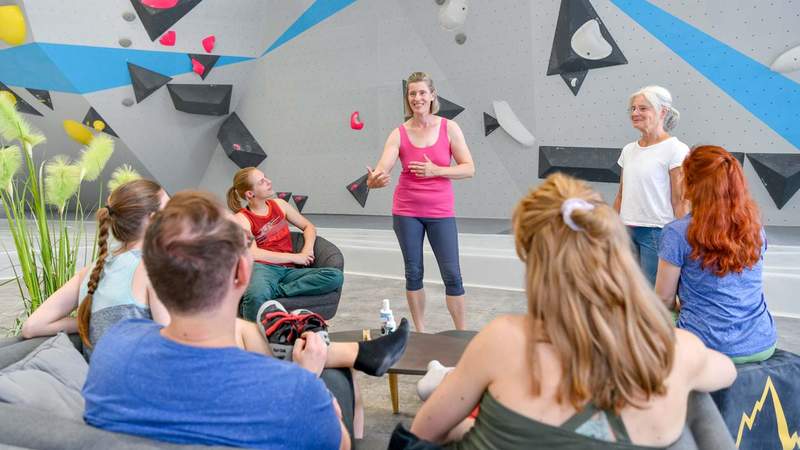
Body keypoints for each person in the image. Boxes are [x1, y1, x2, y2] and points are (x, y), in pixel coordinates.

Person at [410, 173, 736, 448]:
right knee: (693, 397)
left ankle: (443, 383)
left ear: (531, 257)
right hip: (658, 377)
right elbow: (727, 372)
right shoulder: (676, 350)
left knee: (458, 422)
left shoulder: (501, 340)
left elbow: (421, 434)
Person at [23, 179, 409, 379]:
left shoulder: (93, 270)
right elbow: (171, 335)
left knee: (243, 327)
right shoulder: (152, 266)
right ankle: (348, 355)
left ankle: (354, 354)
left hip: (112, 370)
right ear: (155, 222)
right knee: (237, 329)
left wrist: (97, 318)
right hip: (151, 373)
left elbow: (31, 326)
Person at [83, 191, 350, 449]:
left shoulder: (112, 349)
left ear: (152, 273)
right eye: (247, 242)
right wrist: (309, 379)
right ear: (242, 272)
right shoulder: (294, 391)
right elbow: (340, 444)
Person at [366, 71, 475, 332]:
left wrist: (436, 171)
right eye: (412, 93)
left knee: (453, 275)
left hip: (441, 211)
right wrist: (374, 180)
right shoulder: (398, 133)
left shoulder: (450, 128)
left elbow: (469, 168)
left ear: (432, 95)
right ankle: (421, 331)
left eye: (422, 92)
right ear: (408, 98)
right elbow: (384, 167)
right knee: (413, 272)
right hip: (407, 211)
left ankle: (461, 333)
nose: (417, 97)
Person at [656, 145, 777, 363]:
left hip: (706, 346)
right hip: (762, 342)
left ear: (693, 184)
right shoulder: (755, 226)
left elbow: (663, 299)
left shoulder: (677, 232)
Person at [227, 167, 344, 323]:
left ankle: (276, 290)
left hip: (289, 271)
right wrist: (296, 257)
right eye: (262, 181)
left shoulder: (280, 205)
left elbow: (308, 227)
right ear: (250, 194)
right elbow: (254, 254)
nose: (269, 181)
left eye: (266, 177)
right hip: (263, 268)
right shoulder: (242, 218)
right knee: (256, 296)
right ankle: (251, 340)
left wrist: (307, 250)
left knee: (334, 277)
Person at [613, 85, 689, 285]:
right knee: (627, 288)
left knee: (653, 294)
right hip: (626, 229)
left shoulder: (676, 149)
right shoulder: (628, 150)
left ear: (662, 111)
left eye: (643, 108)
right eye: (633, 108)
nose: (635, 113)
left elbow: (680, 200)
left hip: (658, 232)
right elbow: (621, 195)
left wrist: (684, 239)